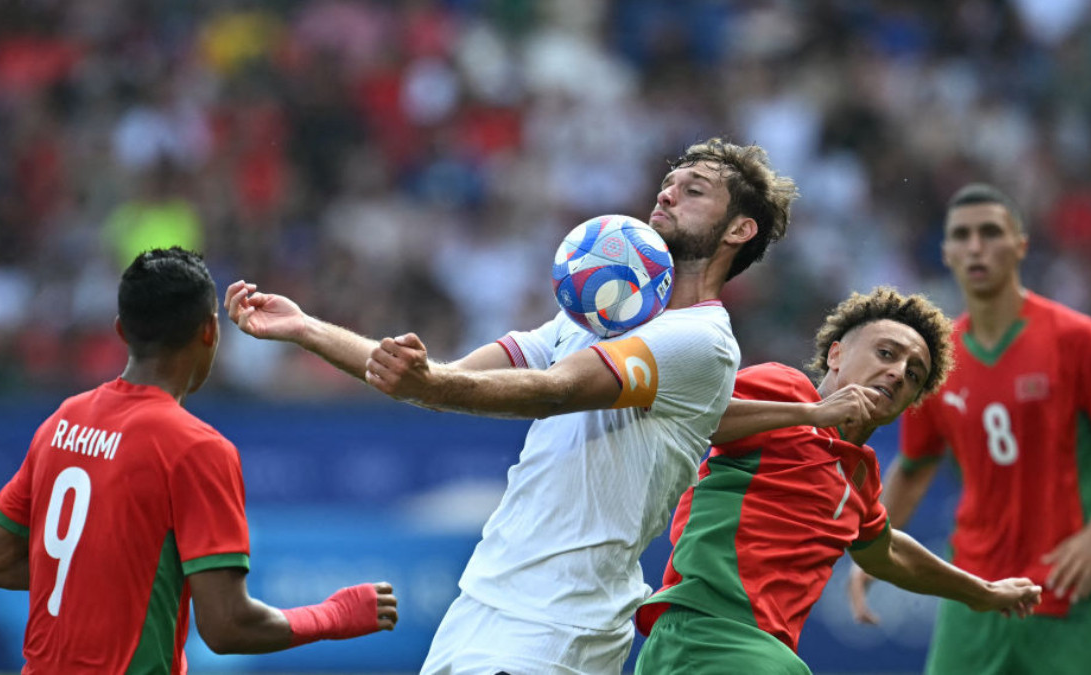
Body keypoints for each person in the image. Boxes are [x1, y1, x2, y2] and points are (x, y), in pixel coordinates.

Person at [223, 137, 798, 674]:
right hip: (484, 603)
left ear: (738, 229)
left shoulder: (701, 340)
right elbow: (434, 381)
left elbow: (555, 391)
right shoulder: (590, 319)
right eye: (667, 183)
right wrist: (305, 330)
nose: (667, 193)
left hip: (562, 623)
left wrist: (430, 385)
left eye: (693, 189)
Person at [0, 247, 398, 673]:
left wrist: (107, 577)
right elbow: (228, 626)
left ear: (121, 330)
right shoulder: (196, 448)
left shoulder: (63, 421)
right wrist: (335, 615)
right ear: (210, 330)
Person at [632, 286, 1043, 675]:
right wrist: (813, 414)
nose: (898, 373)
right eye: (886, 353)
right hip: (708, 633)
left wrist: (982, 593)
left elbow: (886, 552)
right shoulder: (786, 389)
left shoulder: (859, 474)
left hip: (760, 651)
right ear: (836, 355)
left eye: (914, 374)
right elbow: (694, 417)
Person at [847, 184, 1091, 675]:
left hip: (1065, 588)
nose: (976, 246)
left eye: (990, 233)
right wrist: (873, 551)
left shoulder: (1075, 338)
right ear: (946, 253)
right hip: (970, 592)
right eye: (962, 236)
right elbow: (914, 465)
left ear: (1020, 245)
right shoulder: (936, 359)